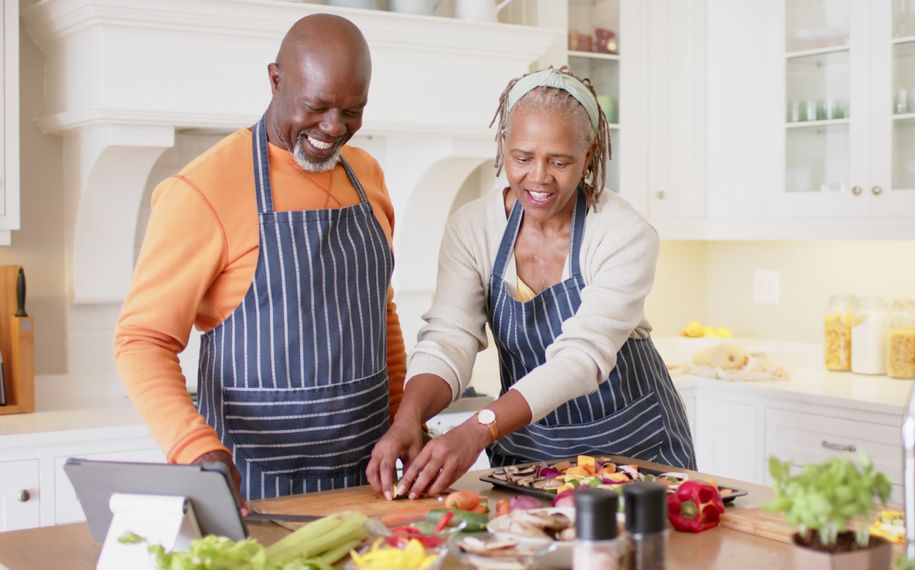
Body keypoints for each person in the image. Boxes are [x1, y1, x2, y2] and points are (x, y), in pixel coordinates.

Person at [366, 67, 696, 500]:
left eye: (559, 162)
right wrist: (408, 417)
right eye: (522, 158)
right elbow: (450, 337)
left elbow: (581, 357)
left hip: (634, 452)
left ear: (590, 153)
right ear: (503, 145)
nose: (538, 178)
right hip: (530, 457)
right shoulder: (472, 228)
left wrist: (479, 428)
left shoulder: (622, 233)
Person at [114, 14, 406, 502]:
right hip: (257, 485)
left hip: (370, 478)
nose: (333, 128)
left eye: (352, 111)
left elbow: (380, 310)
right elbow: (142, 340)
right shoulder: (202, 189)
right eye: (317, 106)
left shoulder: (368, 174)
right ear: (275, 80)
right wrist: (193, 448)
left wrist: (403, 416)